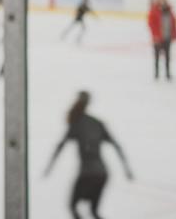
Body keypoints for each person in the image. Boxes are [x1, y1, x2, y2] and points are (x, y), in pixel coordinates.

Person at [44, 91, 133, 219]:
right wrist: (127, 170)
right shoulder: (97, 123)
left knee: (73, 206)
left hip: (87, 173)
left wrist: (49, 167)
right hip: (102, 173)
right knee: (94, 211)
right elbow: (117, 146)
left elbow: (60, 146)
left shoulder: (77, 123)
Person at [147, 0, 176, 81]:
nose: (162, 0)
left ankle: (167, 73)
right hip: (157, 38)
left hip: (167, 36)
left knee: (168, 56)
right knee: (157, 56)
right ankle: (156, 73)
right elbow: (151, 23)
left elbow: (173, 23)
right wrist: (155, 35)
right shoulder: (154, 10)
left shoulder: (169, 10)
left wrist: (174, 34)